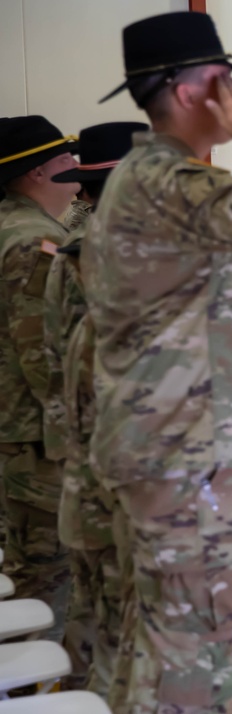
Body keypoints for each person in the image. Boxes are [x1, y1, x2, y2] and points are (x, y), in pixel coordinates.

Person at [81, 11, 232, 711]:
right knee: (190, 649)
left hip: (174, 447)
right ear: (185, 92)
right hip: (181, 453)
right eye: (222, 80)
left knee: (161, 640)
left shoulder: (154, 179)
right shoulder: (165, 180)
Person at [47, 121, 147, 695]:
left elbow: (56, 356)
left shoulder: (72, 253)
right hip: (137, 480)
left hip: (85, 461)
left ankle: (83, 690)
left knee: (97, 602)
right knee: (134, 621)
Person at [0, 114, 79, 641]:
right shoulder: (36, 244)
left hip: (23, 434)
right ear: (36, 172)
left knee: (33, 568)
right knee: (48, 577)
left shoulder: (18, 227)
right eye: (65, 156)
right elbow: (45, 358)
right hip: (39, 442)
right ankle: (40, 688)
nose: (77, 164)